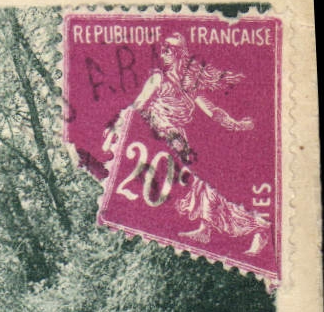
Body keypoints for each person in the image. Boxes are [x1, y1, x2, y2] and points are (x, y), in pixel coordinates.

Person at [102, 33, 269, 255]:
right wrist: (115, 128)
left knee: (192, 187)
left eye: (169, 49)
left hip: (171, 140)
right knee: (190, 188)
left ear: (180, 54)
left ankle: (254, 227)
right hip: (153, 139)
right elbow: (136, 107)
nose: (164, 53)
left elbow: (213, 111)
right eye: (162, 49)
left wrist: (237, 125)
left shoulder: (187, 86)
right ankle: (218, 228)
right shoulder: (157, 79)